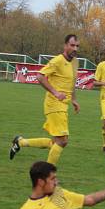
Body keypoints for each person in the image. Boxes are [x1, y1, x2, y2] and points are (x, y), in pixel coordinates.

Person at [10, 34, 81, 165]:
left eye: (77, 46)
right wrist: (55, 93)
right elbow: (40, 76)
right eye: (72, 45)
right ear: (65, 46)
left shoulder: (75, 62)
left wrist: (74, 100)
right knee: (63, 141)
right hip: (54, 104)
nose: (75, 48)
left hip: (63, 105)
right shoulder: (57, 61)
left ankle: (20, 142)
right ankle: (48, 174)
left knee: (55, 142)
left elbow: (72, 82)